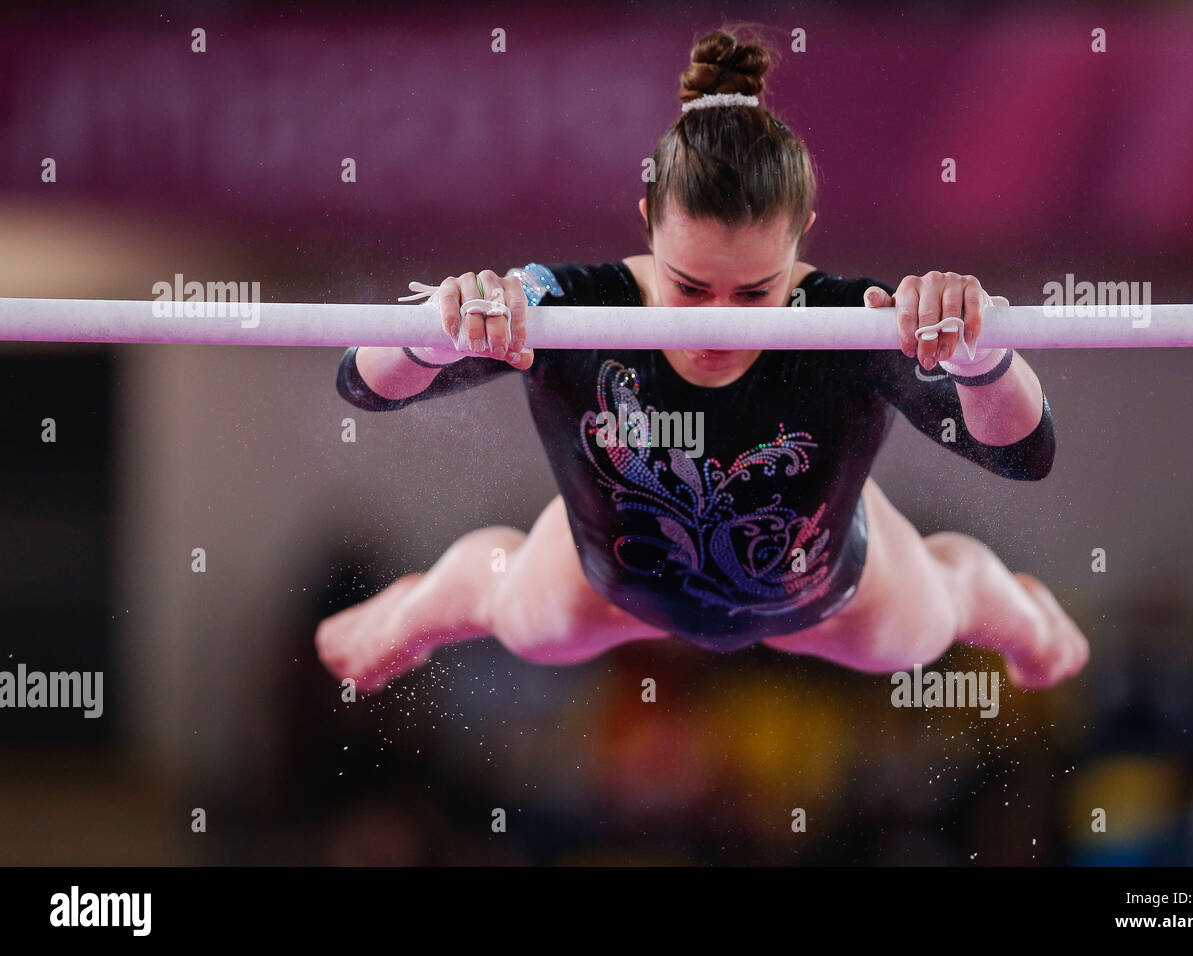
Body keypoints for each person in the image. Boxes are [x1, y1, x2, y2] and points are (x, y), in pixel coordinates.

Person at [316, 28, 1088, 693]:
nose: (718, 323)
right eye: (689, 286)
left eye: (755, 292)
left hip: (832, 591)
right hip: (606, 581)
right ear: (651, 222)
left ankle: (1030, 621)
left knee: (931, 620)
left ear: (801, 237)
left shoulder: (861, 325)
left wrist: (980, 357)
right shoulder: (564, 309)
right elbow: (365, 384)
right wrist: (436, 328)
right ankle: (408, 613)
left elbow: (1023, 455)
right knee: (519, 615)